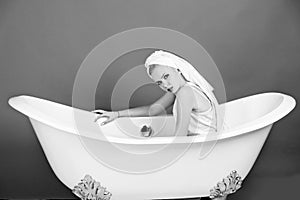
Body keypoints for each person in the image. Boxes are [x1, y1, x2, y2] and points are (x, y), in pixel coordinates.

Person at [93, 50, 220, 137]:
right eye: (159, 83)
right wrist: (117, 114)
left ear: (177, 70)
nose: (165, 84)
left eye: (166, 76)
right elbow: (152, 110)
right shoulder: (179, 90)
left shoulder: (185, 93)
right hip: (197, 145)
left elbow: (180, 137)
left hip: (202, 148)